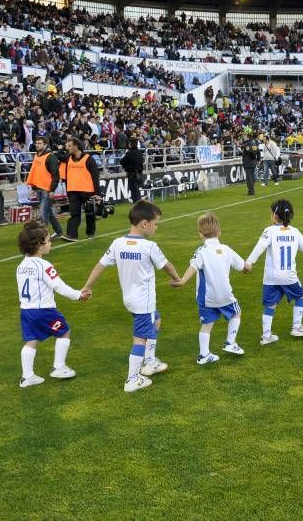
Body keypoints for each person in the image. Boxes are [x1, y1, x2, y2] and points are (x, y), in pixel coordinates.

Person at [81, 201, 183, 392]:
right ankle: (133, 379)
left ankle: (150, 361)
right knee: (140, 338)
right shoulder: (149, 246)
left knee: (157, 319)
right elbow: (167, 265)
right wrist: (177, 278)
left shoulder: (118, 243)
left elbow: (100, 265)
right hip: (143, 301)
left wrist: (88, 286)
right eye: (156, 223)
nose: (156, 227)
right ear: (144, 223)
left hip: (129, 299)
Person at [16, 221, 86, 388]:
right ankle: (59, 367)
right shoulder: (44, 266)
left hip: (26, 311)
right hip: (44, 311)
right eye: (48, 241)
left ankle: (27, 377)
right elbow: (59, 286)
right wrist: (78, 295)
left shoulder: (21, 265)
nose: (50, 244)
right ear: (39, 246)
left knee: (31, 340)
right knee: (64, 331)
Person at [245, 199, 303, 345]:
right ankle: (296, 327)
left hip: (270, 277)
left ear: (275, 215)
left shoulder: (268, 231)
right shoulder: (295, 232)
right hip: (289, 276)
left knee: (269, 305)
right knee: (300, 296)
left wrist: (249, 263)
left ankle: (266, 336)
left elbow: (259, 248)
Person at [177, 212, 250, 364]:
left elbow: (193, 267)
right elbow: (243, 266)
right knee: (236, 313)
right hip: (225, 295)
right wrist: (247, 267)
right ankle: (230, 342)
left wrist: (182, 280)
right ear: (220, 232)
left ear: (200, 235)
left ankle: (204, 354)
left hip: (207, 297)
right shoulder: (226, 249)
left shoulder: (201, 252)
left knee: (206, 325)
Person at [60, 137, 102, 241]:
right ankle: (72, 235)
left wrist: (98, 193)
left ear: (76, 146)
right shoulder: (68, 158)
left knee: (90, 213)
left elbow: (95, 177)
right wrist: (68, 190)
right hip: (73, 191)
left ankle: (90, 233)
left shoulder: (89, 159)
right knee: (74, 213)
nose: (67, 148)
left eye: (69, 146)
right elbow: (65, 173)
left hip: (88, 191)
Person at [26, 136, 63, 239]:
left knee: (43, 213)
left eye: (39, 143)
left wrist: (52, 190)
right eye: (36, 143)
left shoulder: (50, 157)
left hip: (47, 189)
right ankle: (58, 231)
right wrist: (33, 188)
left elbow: (56, 174)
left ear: (45, 144)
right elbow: (35, 173)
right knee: (48, 212)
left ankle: (44, 237)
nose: (37, 145)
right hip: (39, 188)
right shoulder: (37, 155)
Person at [120, 137, 144, 203]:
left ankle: (139, 207)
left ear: (130, 144)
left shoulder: (129, 153)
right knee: (136, 191)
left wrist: (126, 166)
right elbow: (141, 163)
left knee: (134, 192)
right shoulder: (139, 153)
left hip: (132, 174)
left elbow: (122, 161)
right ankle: (137, 207)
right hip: (139, 174)